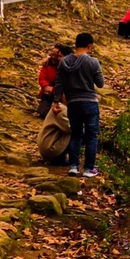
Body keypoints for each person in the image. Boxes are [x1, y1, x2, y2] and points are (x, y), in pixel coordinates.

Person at [56, 33, 103, 178]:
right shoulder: (92, 62)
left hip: (73, 103)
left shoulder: (63, 63)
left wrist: (55, 101)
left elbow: (59, 84)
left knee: (76, 135)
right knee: (91, 136)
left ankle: (73, 166)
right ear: (89, 46)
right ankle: (89, 169)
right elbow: (100, 83)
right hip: (89, 103)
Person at [36, 43, 70, 118]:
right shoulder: (48, 64)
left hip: (61, 95)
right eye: (52, 55)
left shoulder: (64, 67)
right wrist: (46, 86)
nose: (54, 57)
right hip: (48, 93)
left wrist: (54, 90)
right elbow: (42, 78)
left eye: (57, 55)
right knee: (42, 113)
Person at [37, 101, 71, 167]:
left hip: (48, 145)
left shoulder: (59, 107)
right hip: (50, 148)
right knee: (79, 133)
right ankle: (61, 159)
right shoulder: (60, 109)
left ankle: (62, 158)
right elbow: (69, 128)